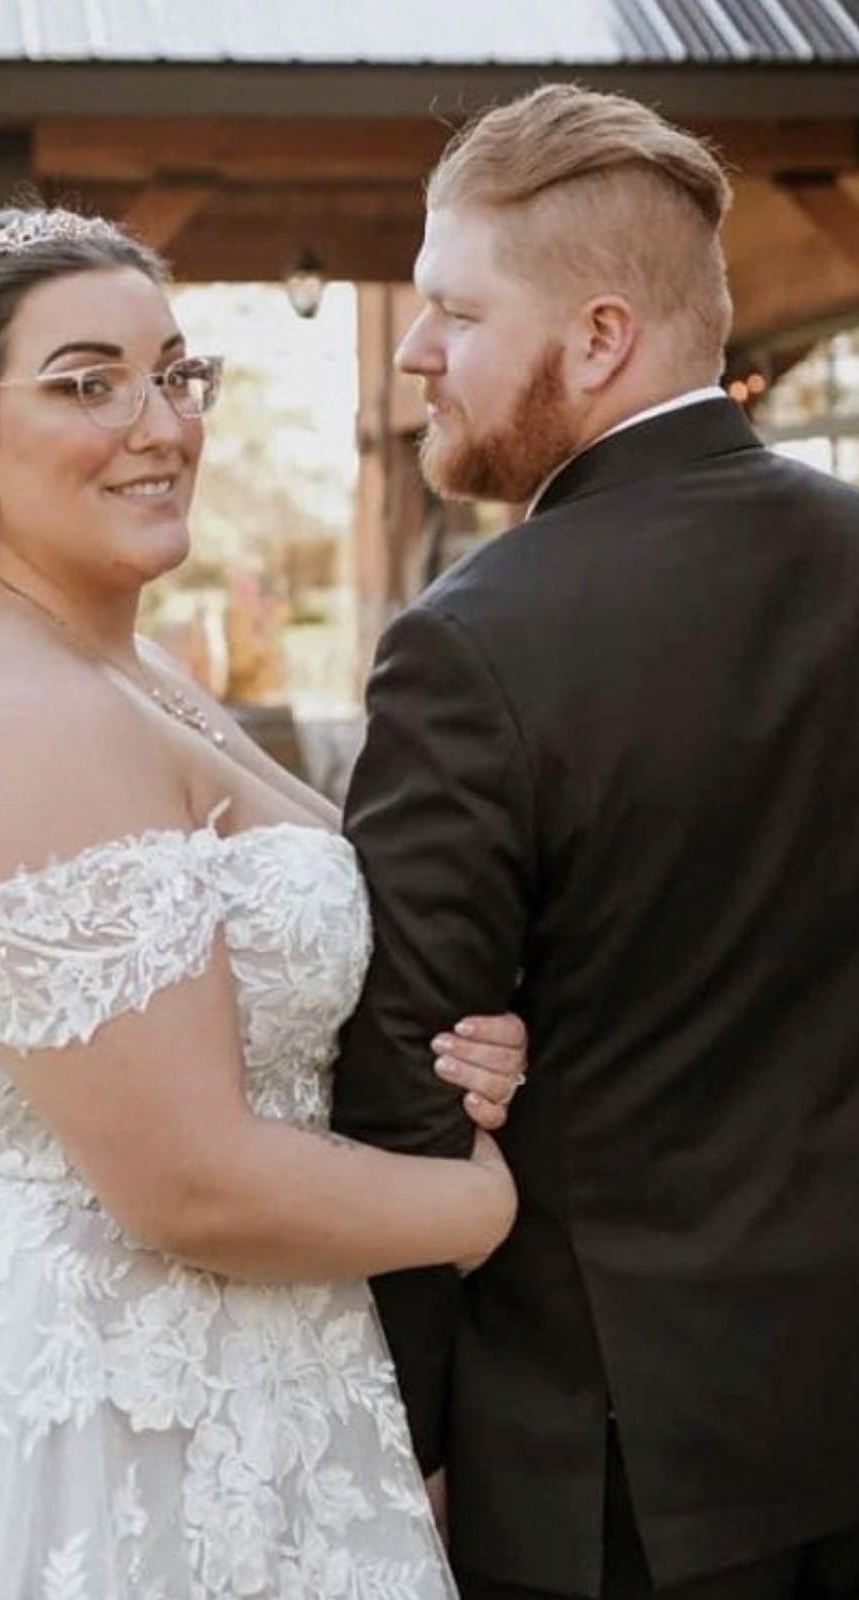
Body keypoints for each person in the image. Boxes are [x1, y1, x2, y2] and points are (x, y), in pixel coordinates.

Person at [0, 205, 528, 1599]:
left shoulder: (110, 662)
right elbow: (190, 1180)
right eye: (85, 383)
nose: (160, 424)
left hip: (226, 1368)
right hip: (83, 1423)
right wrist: (483, 1208)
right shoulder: (21, 719)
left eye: (175, 374)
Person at [330, 83, 859, 1600]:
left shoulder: (468, 647)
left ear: (601, 337)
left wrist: (406, 1442)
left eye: (452, 310)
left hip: (614, 1466)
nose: (419, 351)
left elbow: (404, 1087)